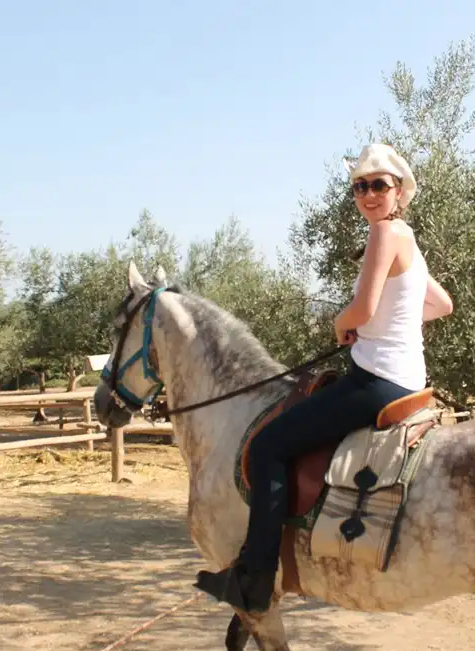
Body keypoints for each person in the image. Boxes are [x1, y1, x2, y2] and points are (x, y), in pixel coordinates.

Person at [194, 142, 454, 614]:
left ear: (399, 192)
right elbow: (441, 304)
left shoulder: (383, 234)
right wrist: (392, 324)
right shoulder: (407, 238)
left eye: (378, 184)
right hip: (409, 381)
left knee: (270, 445)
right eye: (360, 186)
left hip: (376, 381)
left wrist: (344, 322)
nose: (369, 193)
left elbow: (364, 308)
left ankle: (255, 575)